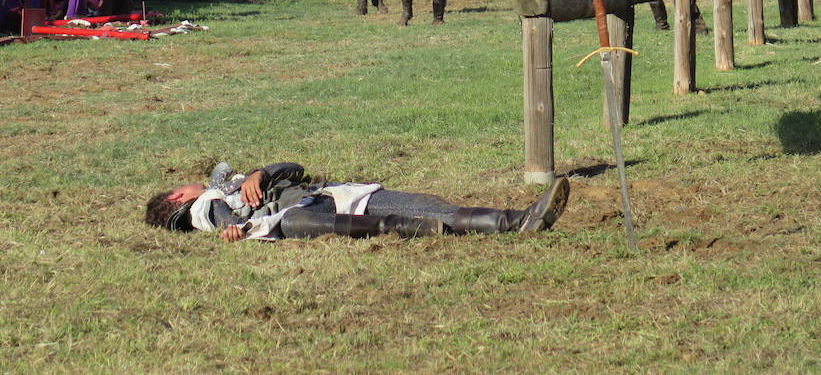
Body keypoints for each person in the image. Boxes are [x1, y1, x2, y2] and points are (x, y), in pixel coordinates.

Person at [145, 161, 570, 241]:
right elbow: (220, 216)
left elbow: (294, 166)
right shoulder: (205, 207)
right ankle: (513, 221)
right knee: (410, 214)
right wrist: (231, 228)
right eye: (185, 188)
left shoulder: (234, 184)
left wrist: (261, 172)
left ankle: (519, 220)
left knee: (424, 203)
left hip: (331, 197)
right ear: (177, 198)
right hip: (303, 215)